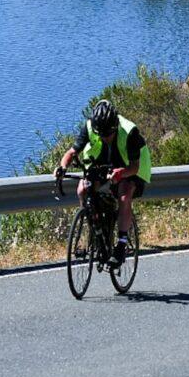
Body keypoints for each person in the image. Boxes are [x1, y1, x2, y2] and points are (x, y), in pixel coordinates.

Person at [54, 100, 151, 266]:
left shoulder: (130, 132)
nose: (105, 138)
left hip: (132, 168)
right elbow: (71, 152)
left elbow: (134, 167)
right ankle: (94, 228)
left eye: (108, 134)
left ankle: (121, 244)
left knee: (124, 194)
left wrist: (121, 173)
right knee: (82, 190)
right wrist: (62, 167)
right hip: (103, 164)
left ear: (115, 127)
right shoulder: (90, 127)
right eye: (101, 134)